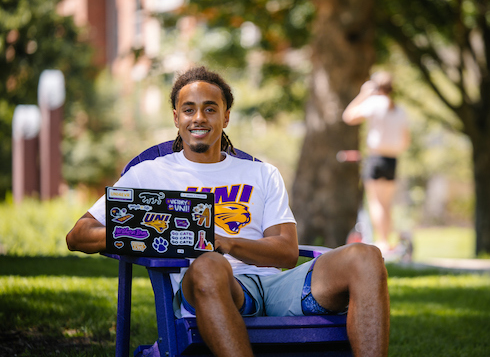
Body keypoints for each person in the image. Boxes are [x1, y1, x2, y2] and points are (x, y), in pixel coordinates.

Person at [66, 66, 390, 357]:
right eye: (189, 109)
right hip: (217, 288)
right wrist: (151, 231)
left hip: (277, 289)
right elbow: (79, 235)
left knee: (366, 255)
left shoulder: (261, 173)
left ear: (226, 116)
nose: (199, 118)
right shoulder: (149, 174)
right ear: (176, 117)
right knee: (209, 264)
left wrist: (227, 242)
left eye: (210, 109)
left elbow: (286, 253)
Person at [342, 71, 411, 255]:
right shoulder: (399, 109)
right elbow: (406, 140)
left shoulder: (374, 104)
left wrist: (363, 94)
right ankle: (387, 241)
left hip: (376, 158)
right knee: (387, 203)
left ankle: (381, 241)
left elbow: (348, 116)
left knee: (376, 202)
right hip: (392, 159)